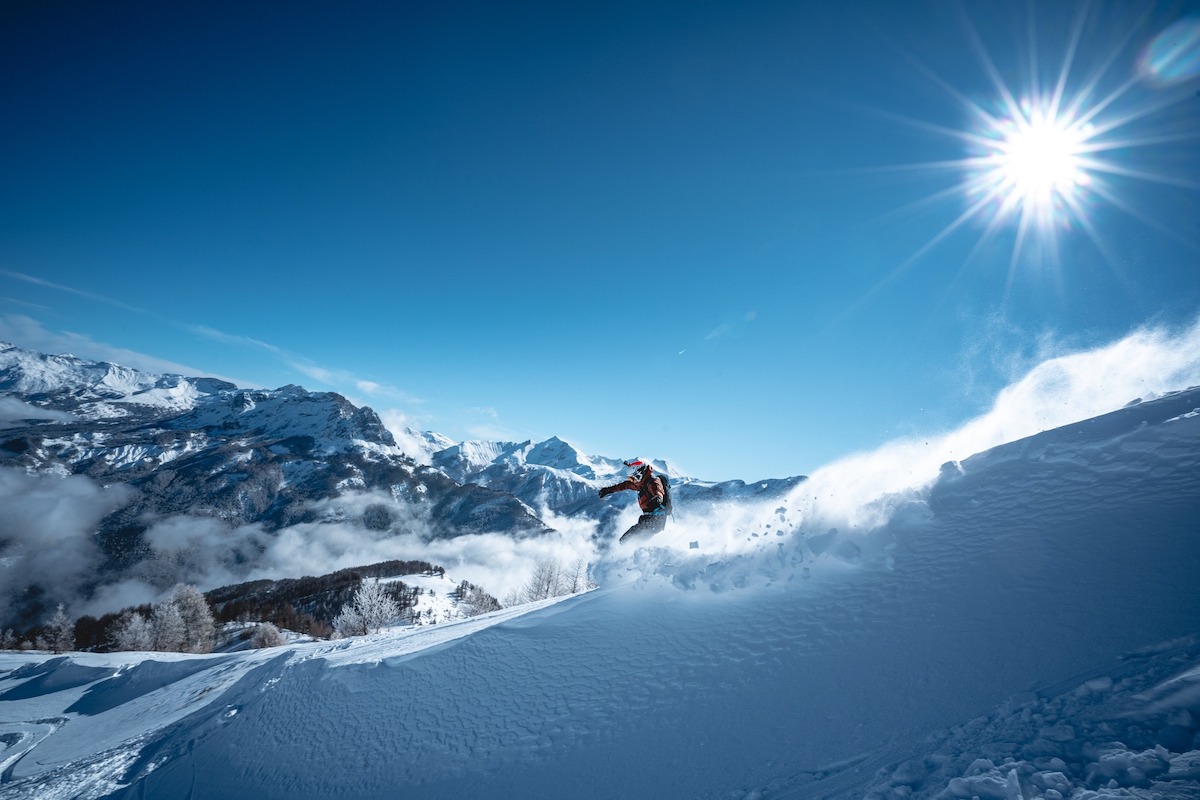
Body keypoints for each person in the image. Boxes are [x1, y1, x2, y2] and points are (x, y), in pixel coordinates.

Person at [599, 459, 669, 543]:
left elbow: (658, 491)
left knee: (628, 539)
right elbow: (626, 485)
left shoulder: (653, 482)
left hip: (656, 520)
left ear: (639, 475)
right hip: (649, 518)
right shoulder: (642, 483)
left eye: (632, 478)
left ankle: (629, 553)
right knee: (634, 540)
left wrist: (658, 498)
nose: (632, 481)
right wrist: (609, 489)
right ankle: (633, 553)